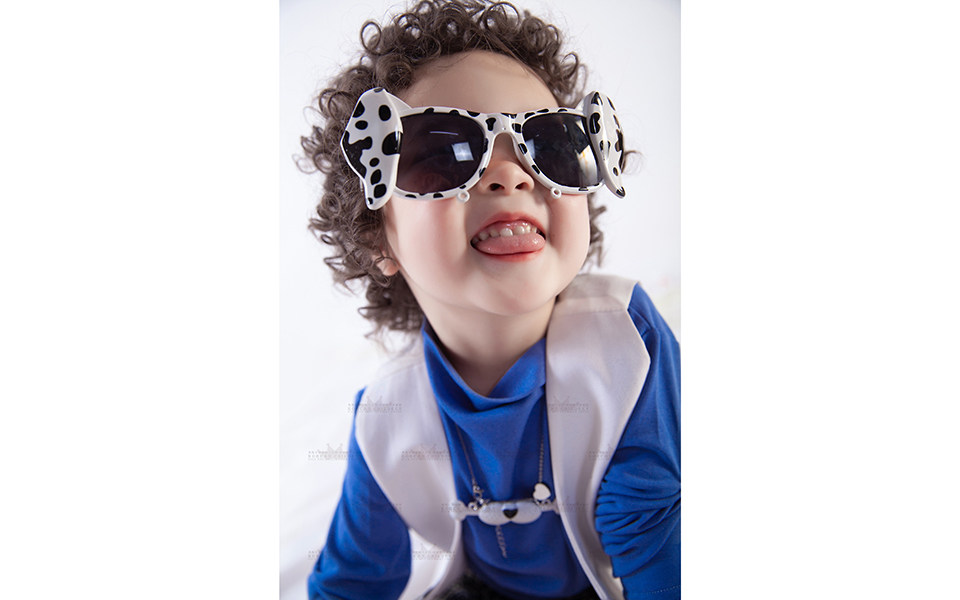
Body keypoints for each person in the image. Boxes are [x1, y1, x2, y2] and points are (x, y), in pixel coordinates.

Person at [298, 1, 679, 598]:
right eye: (443, 152)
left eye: (550, 145)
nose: (513, 175)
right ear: (377, 237)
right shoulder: (387, 419)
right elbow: (352, 581)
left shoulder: (627, 344)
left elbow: (653, 540)